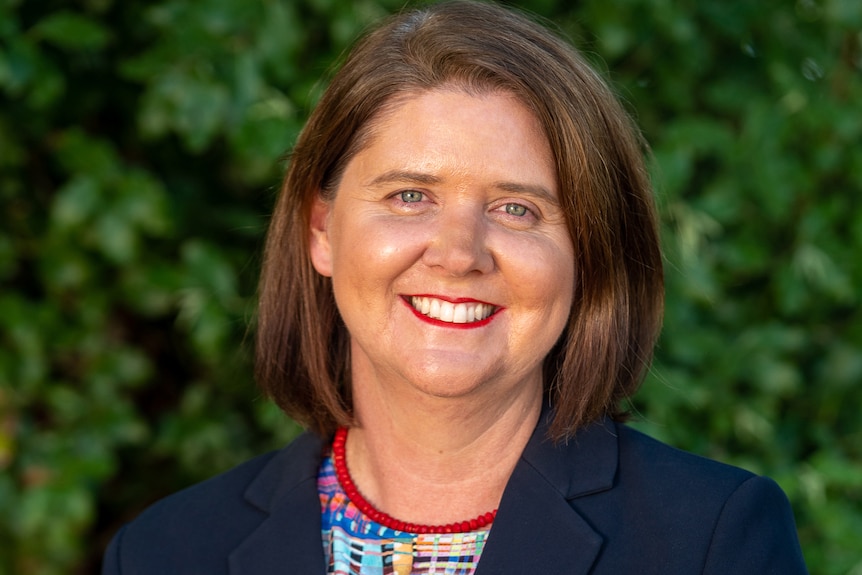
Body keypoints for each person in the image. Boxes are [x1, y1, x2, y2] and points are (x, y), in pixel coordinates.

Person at [102, 1, 808, 573]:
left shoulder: (712, 541)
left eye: (517, 209)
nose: (458, 253)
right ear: (321, 229)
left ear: (587, 253)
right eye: (411, 195)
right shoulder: (167, 551)